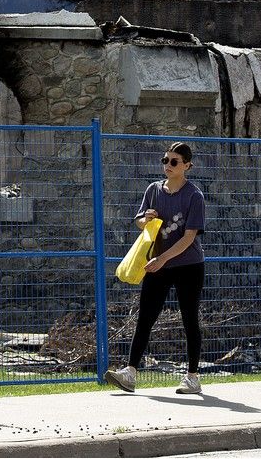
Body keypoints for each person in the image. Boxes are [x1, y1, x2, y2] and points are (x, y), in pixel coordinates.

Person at [104, 142, 206, 395]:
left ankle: (192, 377)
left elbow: (189, 237)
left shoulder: (194, 195)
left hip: (188, 264)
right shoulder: (153, 190)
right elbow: (139, 221)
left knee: (189, 318)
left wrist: (163, 259)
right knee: (145, 317)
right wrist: (144, 220)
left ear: (187, 166)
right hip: (156, 263)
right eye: (165, 160)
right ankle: (130, 373)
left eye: (174, 162)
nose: (168, 165)